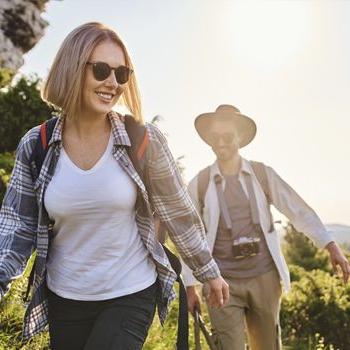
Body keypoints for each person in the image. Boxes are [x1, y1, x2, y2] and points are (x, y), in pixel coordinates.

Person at [0, 22, 229, 350]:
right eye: (102, 70)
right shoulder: (37, 145)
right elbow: (16, 228)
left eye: (122, 74)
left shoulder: (143, 140)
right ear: (72, 69)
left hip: (130, 292)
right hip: (65, 297)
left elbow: (178, 212)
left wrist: (208, 271)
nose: (113, 83)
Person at [182, 104, 350, 350]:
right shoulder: (200, 183)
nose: (220, 143)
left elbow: (297, 209)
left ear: (240, 137)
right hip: (220, 282)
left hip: (265, 279)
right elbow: (188, 235)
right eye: (214, 138)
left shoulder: (262, 175)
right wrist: (190, 286)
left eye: (227, 136)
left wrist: (330, 245)